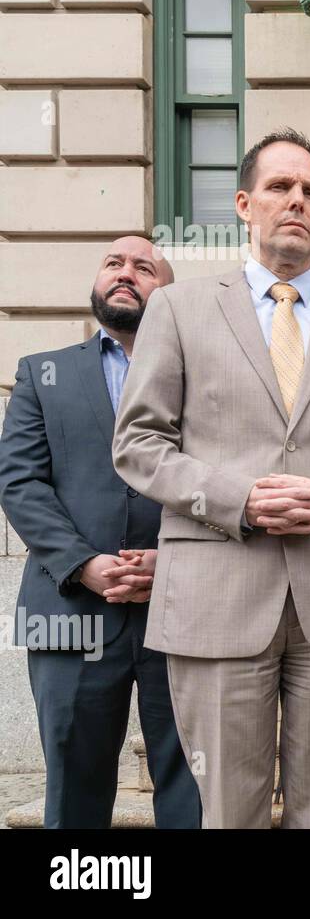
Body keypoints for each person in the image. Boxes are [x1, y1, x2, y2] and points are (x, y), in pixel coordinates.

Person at [112, 128, 310, 828]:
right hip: (217, 592)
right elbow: (136, 444)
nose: (297, 201)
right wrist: (240, 499)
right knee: (230, 811)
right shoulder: (179, 309)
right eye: (281, 187)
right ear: (245, 204)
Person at [0, 239, 199, 829]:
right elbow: (21, 483)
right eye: (114, 263)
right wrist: (83, 562)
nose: (125, 273)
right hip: (72, 609)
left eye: (144, 268)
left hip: (183, 604)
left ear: (167, 294)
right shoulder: (43, 374)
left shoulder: (205, 376)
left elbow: (222, 477)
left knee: (191, 783)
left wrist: (172, 558)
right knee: (74, 788)